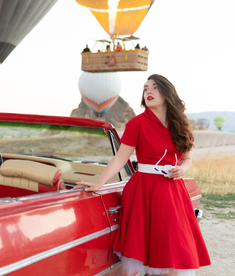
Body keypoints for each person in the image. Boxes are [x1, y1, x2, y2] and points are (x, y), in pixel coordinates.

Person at [76, 74, 211, 276]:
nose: (148, 92)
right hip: (144, 190)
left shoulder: (181, 124)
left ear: (167, 92)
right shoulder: (137, 123)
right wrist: (100, 183)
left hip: (173, 192)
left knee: (173, 248)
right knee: (147, 251)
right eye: (145, 88)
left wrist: (181, 170)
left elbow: (187, 159)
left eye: (154, 88)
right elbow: (120, 159)